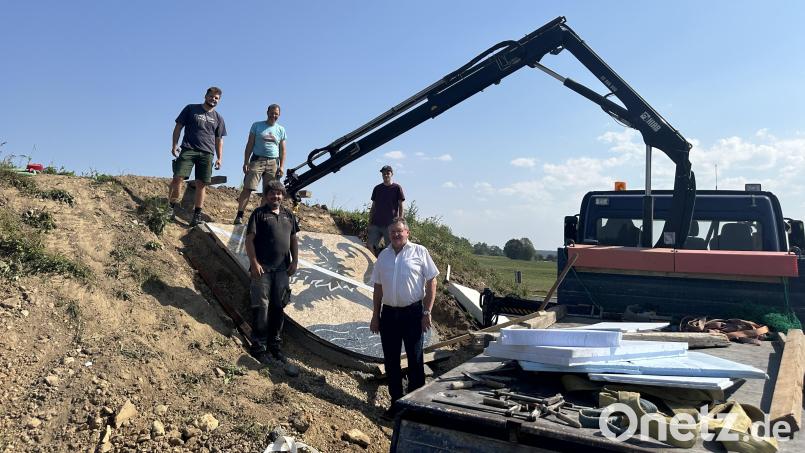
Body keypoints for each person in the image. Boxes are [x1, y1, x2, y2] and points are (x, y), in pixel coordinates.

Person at [370, 217, 438, 414]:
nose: (396, 235)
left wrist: (427, 311)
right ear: (389, 234)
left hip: (413, 313)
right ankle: (396, 403)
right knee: (391, 361)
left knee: (415, 358)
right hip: (389, 314)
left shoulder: (419, 252)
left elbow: (432, 281)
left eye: (400, 231)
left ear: (407, 232)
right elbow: (378, 287)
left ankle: (414, 405)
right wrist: (376, 316)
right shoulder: (383, 255)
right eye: (393, 232)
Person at [245, 180, 299, 365]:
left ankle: (275, 346)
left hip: (282, 270)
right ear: (266, 196)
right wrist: (254, 262)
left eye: (278, 193)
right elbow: (249, 240)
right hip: (263, 270)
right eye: (271, 193)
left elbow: (293, 239)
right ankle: (259, 347)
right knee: (261, 307)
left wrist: (295, 261)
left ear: (282, 196)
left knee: (278, 307)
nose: (275, 196)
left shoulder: (288, 215)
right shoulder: (259, 214)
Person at [169, 87, 227, 226]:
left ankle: (197, 214)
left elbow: (219, 139)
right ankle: (170, 208)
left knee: (202, 184)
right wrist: (174, 144)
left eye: (216, 98)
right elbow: (178, 127)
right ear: (206, 96)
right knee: (178, 178)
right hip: (188, 149)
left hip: (207, 153)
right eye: (211, 96)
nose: (213, 99)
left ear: (219, 100)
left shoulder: (219, 118)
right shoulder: (191, 109)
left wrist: (220, 158)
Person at [234, 104, 287, 225]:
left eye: (276, 114)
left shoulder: (281, 130)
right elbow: (250, 144)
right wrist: (246, 161)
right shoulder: (257, 125)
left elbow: (283, 150)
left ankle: (260, 218)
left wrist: (282, 166)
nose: (274, 115)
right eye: (272, 113)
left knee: (269, 192)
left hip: (273, 162)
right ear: (267, 112)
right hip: (257, 160)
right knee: (248, 187)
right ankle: (239, 215)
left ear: (279, 115)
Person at [368, 165, 405, 256]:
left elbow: (401, 206)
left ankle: (389, 267)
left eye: (388, 173)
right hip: (376, 223)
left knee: (390, 248)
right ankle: (376, 264)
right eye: (384, 174)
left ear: (392, 174)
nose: (385, 175)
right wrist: (369, 221)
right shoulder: (377, 188)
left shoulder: (397, 188)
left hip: (390, 224)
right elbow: (373, 206)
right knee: (370, 245)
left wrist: (400, 222)